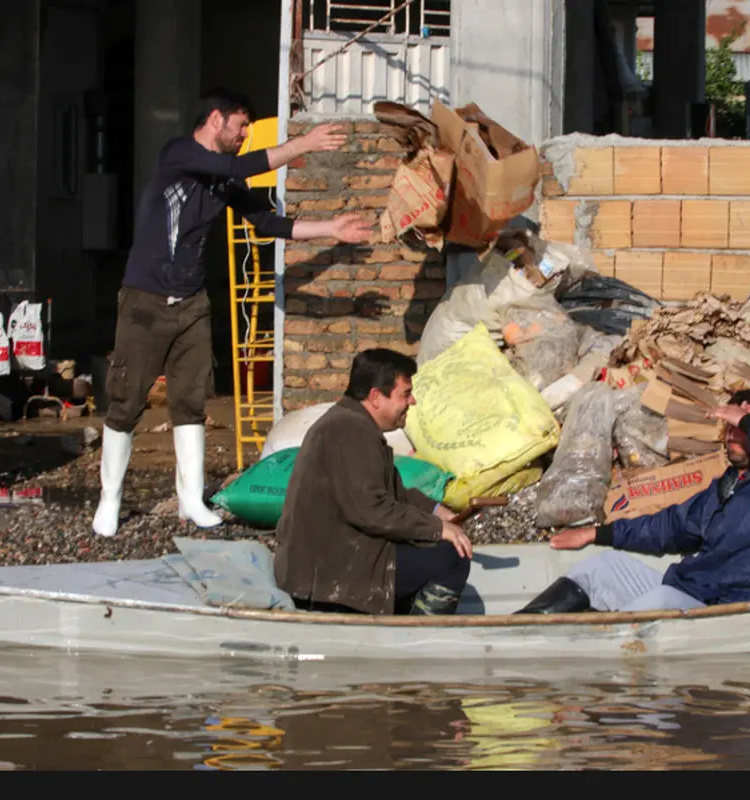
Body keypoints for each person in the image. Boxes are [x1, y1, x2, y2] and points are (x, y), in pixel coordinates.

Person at [93, 88, 372, 537]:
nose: (244, 135)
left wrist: (332, 229)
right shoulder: (178, 153)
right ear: (216, 119)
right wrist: (301, 144)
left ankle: (191, 500)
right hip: (145, 299)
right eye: (240, 126)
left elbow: (266, 222)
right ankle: (109, 502)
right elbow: (239, 165)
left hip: (192, 302)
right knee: (126, 400)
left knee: (190, 403)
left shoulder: (223, 179)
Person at [515, 389, 750, 614]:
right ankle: (519, 630)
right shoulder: (727, 485)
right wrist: (597, 533)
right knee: (601, 568)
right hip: (693, 591)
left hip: (730, 609)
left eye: (744, 429)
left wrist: (749, 421)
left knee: (658, 603)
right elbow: (669, 527)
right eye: (731, 428)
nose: (734, 436)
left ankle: (596, 653)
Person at [272, 348, 474, 616]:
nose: (411, 401)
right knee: (451, 558)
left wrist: (438, 512)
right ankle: (421, 642)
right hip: (327, 575)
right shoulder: (350, 431)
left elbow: (392, 491)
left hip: (334, 557)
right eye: (405, 393)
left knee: (433, 543)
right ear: (376, 397)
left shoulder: (352, 424)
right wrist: (437, 529)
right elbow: (372, 510)